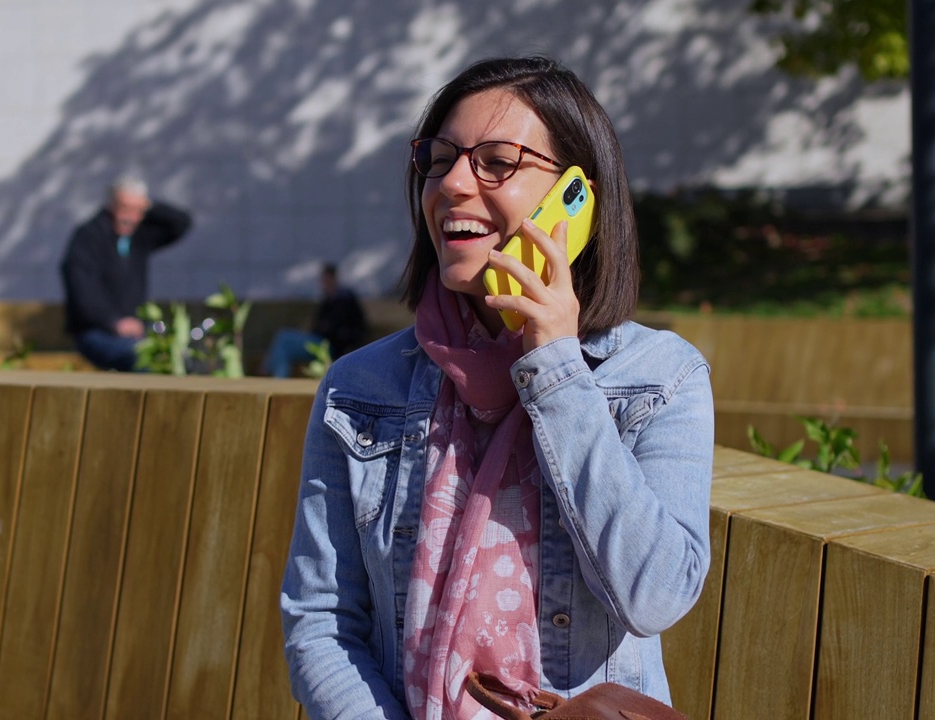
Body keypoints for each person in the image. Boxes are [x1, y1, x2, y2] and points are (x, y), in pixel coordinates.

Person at [280, 55, 714, 719]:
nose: (452, 182)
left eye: (497, 162)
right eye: (441, 158)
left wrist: (557, 368)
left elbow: (653, 596)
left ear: (578, 197)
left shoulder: (661, 377)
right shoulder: (359, 390)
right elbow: (321, 622)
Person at [60, 176, 192, 371]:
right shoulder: (89, 238)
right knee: (145, 361)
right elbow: (81, 288)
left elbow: (181, 223)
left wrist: (149, 206)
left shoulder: (138, 236)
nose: (129, 216)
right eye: (125, 208)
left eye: (137, 210)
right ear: (111, 206)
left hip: (135, 332)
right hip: (98, 332)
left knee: (182, 360)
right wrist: (113, 321)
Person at [262, 263, 370, 378]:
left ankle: (269, 373)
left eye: (327, 280)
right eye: (323, 281)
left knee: (283, 338)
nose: (325, 284)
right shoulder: (327, 300)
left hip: (329, 346)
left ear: (334, 279)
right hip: (318, 340)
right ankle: (275, 377)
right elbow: (318, 325)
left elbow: (352, 327)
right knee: (283, 347)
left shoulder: (345, 299)